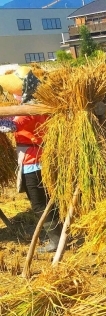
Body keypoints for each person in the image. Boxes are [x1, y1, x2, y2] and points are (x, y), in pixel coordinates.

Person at [0, 66, 62, 253]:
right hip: (35, 159)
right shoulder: (37, 103)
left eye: (16, 92)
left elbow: (9, 125)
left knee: (39, 203)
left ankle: (56, 241)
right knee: (46, 200)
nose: (14, 96)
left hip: (34, 161)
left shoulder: (31, 109)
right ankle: (58, 237)